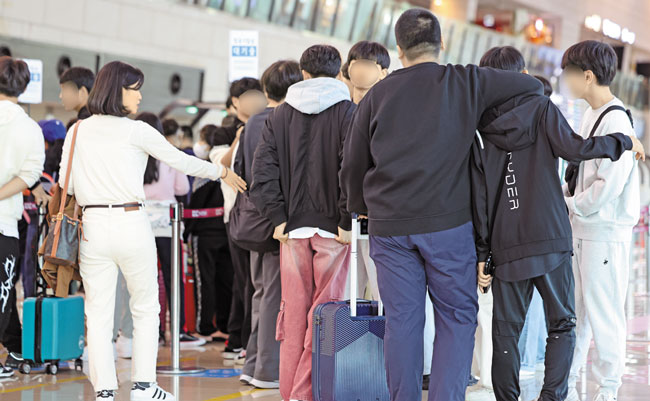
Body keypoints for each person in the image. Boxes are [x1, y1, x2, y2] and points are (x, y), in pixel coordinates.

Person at [341, 8, 563, 401]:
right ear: (442, 43)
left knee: (403, 323)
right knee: (458, 319)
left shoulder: (377, 95)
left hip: (389, 228)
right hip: (448, 226)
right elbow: (529, 89)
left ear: (399, 49)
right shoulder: (466, 81)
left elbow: (354, 164)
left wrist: (360, 206)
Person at [58, 60, 245, 401]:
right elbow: (181, 161)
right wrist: (220, 172)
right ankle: (144, 386)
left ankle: (104, 391)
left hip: (92, 227)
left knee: (98, 313)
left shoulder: (77, 131)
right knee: (146, 308)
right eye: (135, 88)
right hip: (131, 222)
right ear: (119, 91)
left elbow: (64, 184)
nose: (140, 96)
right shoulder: (137, 131)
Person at [471, 45, 642, 401]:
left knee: (505, 332)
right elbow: (576, 149)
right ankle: (551, 397)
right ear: (520, 76)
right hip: (551, 238)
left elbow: (481, 199)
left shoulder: (478, 129)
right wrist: (622, 142)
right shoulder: (541, 109)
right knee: (562, 324)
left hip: (506, 246)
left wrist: (483, 253)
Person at [250, 44, 355, 401]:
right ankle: (308, 393)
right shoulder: (348, 113)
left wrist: (277, 218)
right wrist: (345, 218)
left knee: (293, 315)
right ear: (340, 73)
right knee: (327, 314)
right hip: (334, 233)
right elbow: (351, 170)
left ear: (304, 73)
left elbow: (261, 171)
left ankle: (289, 393)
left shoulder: (278, 116)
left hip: (292, 231)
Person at [562, 40, 641, 401]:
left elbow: (607, 187)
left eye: (569, 72)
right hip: (585, 228)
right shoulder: (591, 114)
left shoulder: (616, 120)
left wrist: (572, 205)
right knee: (579, 310)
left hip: (604, 232)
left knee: (604, 311)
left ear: (587, 76)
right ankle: (572, 377)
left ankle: (608, 389)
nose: (565, 79)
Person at [236, 60, 302, 389]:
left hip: (252, 221)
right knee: (275, 296)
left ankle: (251, 364)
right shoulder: (283, 120)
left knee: (261, 294)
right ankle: (266, 370)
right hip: (276, 221)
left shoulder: (251, 123)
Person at [211, 77, 267, 361]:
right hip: (235, 214)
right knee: (245, 280)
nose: (257, 100)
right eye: (249, 96)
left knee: (248, 281)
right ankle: (241, 339)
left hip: (259, 213)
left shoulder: (267, 123)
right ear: (235, 103)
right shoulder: (224, 131)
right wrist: (241, 136)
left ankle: (239, 338)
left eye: (259, 94)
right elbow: (220, 164)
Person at [139, 112, 205, 348]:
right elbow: (182, 187)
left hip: (139, 220)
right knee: (172, 275)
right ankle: (177, 330)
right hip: (167, 220)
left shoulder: (133, 154)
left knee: (144, 279)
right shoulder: (168, 153)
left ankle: (151, 331)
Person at [0, 56, 45, 377]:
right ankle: (16, 349)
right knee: (4, 293)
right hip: (5, 222)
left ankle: (16, 348)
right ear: (25, 86)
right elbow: (31, 174)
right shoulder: (30, 127)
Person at [186, 124, 233, 342]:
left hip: (203, 234)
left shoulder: (205, 169)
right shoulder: (233, 166)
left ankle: (204, 327)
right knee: (226, 280)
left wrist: (187, 232)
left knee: (205, 280)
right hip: (227, 230)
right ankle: (224, 325)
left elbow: (194, 203)